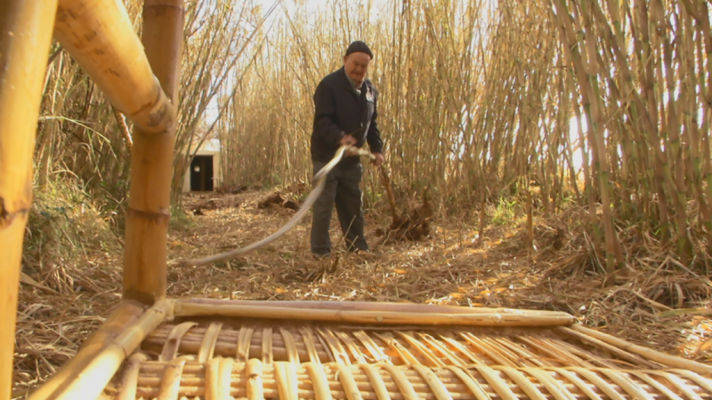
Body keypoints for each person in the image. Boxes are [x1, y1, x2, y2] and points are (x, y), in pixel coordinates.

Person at [309, 40, 385, 258]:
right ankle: (321, 253)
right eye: (355, 64)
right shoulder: (328, 86)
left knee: (353, 206)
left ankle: (358, 249)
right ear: (345, 60)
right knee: (324, 208)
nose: (359, 70)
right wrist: (341, 138)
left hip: (352, 162)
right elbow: (323, 121)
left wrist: (377, 149)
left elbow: (372, 125)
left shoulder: (371, 91)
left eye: (364, 66)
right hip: (327, 158)